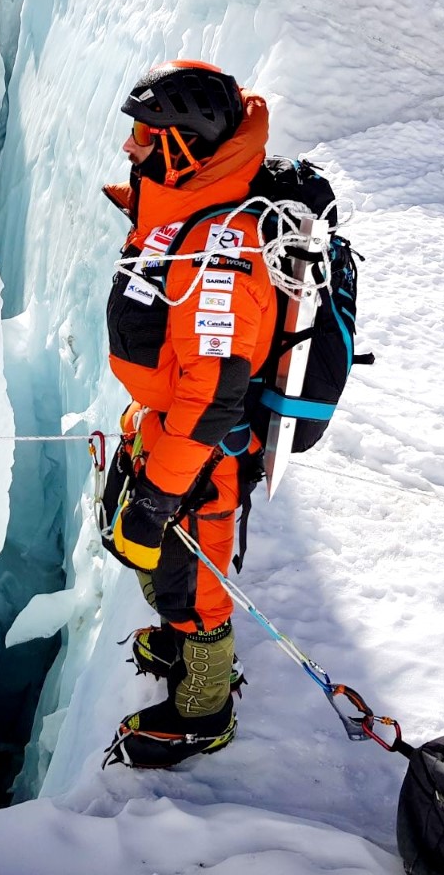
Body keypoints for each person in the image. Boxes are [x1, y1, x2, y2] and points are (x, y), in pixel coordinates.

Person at [101, 60, 276, 769]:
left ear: (183, 145)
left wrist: (160, 493)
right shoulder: (196, 208)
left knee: (192, 584)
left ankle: (205, 709)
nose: (130, 147)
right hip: (167, 429)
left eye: (144, 135)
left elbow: (211, 402)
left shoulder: (222, 260)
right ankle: (178, 637)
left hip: (202, 454)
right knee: (154, 558)